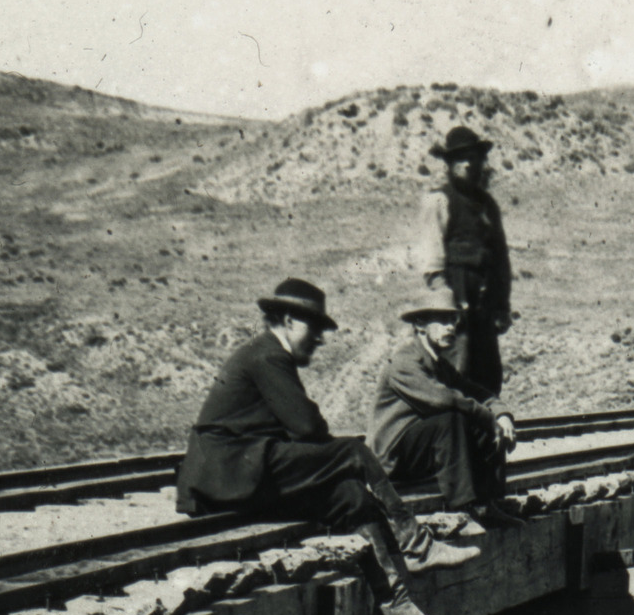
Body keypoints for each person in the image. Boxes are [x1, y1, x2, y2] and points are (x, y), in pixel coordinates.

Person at [176, 278, 408, 532]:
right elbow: (307, 426)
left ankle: (397, 568)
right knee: (353, 451)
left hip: (236, 478)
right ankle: (412, 535)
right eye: (314, 328)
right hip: (228, 476)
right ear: (288, 321)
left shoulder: (265, 352)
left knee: (350, 495)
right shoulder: (268, 355)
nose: (320, 339)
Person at [366, 296, 517, 517]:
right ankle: (464, 507)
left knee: (476, 422)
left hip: (419, 451)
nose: (451, 327)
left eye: (453, 320)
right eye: (442, 320)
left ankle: (490, 503)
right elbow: (443, 399)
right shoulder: (404, 362)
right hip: (392, 457)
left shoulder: (441, 365)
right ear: (420, 325)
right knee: (453, 418)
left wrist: (502, 415)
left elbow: (477, 393)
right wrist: (488, 417)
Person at [401, 127, 514, 412]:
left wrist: (500, 306)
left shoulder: (488, 206)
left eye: (473, 157)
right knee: (457, 373)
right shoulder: (438, 201)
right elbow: (432, 259)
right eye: (461, 158)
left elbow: (500, 259)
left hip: (484, 307)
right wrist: (447, 307)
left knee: (488, 377)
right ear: (449, 164)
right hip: (455, 303)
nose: (468, 164)